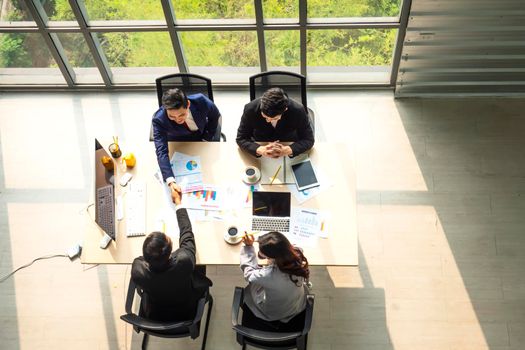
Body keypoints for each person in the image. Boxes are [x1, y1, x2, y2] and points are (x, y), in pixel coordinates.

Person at [131, 187, 212, 322]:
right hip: (186, 311)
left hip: (155, 312)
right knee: (200, 267)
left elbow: (140, 260)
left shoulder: (138, 270)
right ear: (170, 254)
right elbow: (187, 235)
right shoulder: (183, 262)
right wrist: (178, 203)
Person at [153, 88, 221, 202]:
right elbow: (161, 151)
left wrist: (206, 138)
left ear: (188, 104)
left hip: (202, 138)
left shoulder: (200, 101)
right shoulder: (159, 120)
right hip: (179, 144)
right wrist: (170, 181)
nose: (178, 120)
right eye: (172, 117)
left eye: (181, 115)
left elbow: (215, 116)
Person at [240, 231, 310, 329]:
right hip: (295, 304)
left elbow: (248, 275)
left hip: (274, 311)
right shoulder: (298, 255)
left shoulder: (267, 275)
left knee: (251, 287)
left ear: (271, 257)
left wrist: (248, 247)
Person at [236, 87, 314, 159]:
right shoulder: (250, 109)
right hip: (262, 143)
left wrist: (288, 150)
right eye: (265, 117)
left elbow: (309, 139)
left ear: (285, 110)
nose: (267, 121)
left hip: (288, 143)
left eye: (274, 118)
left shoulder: (298, 110)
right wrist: (260, 149)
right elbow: (241, 138)